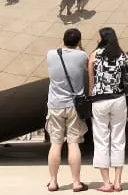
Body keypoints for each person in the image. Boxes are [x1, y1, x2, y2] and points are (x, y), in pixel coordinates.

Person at [88, 27, 128, 192]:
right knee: (118, 140)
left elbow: (91, 80)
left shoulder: (94, 55)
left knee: (101, 140)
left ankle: (106, 183)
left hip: (100, 100)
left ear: (103, 38)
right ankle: (117, 182)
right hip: (118, 99)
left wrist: (91, 96)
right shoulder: (122, 54)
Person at [45, 28, 89, 192]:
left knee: (55, 144)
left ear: (63, 39)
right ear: (78, 41)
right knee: (73, 144)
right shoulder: (82, 56)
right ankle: (76, 182)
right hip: (74, 106)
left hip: (55, 104)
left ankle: (53, 182)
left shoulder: (50, 54)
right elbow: (86, 65)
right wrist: (80, 47)